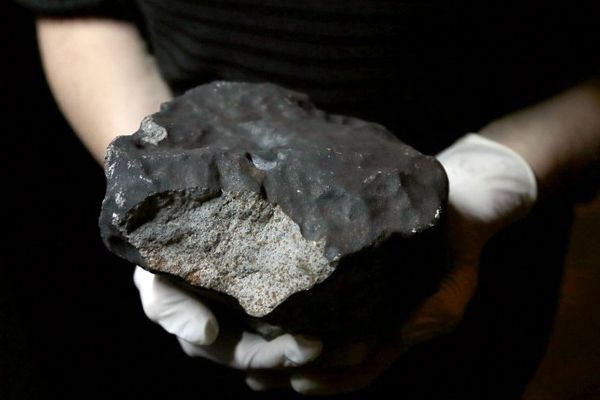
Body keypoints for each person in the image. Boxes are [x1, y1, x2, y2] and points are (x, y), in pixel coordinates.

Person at [18, 0, 600, 397]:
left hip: (478, 239)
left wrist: (505, 169)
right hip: (178, 144)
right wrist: (145, 180)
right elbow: (74, 9)